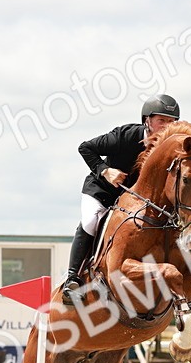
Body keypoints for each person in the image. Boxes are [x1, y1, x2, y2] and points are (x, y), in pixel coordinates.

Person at [61, 94, 181, 304]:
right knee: (91, 221)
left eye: (171, 122)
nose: (166, 126)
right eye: (161, 120)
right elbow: (85, 147)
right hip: (103, 192)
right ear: (147, 120)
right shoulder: (125, 136)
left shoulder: (170, 150)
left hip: (134, 202)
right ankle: (73, 279)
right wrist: (105, 170)